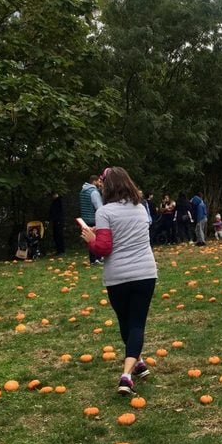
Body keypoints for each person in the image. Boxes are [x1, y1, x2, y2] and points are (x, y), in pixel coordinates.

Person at [81, 167, 157, 396]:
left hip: (118, 277)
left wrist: (91, 239)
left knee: (127, 322)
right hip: (145, 273)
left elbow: (104, 248)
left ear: (107, 187)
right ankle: (138, 362)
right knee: (135, 323)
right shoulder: (141, 208)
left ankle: (126, 375)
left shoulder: (105, 212)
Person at [79, 175, 104, 265]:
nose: (100, 183)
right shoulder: (93, 192)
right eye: (99, 181)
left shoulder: (83, 191)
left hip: (85, 218)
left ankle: (93, 259)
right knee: (96, 238)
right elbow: (99, 207)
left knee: (90, 239)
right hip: (93, 218)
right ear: (94, 181)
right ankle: (96, 259)